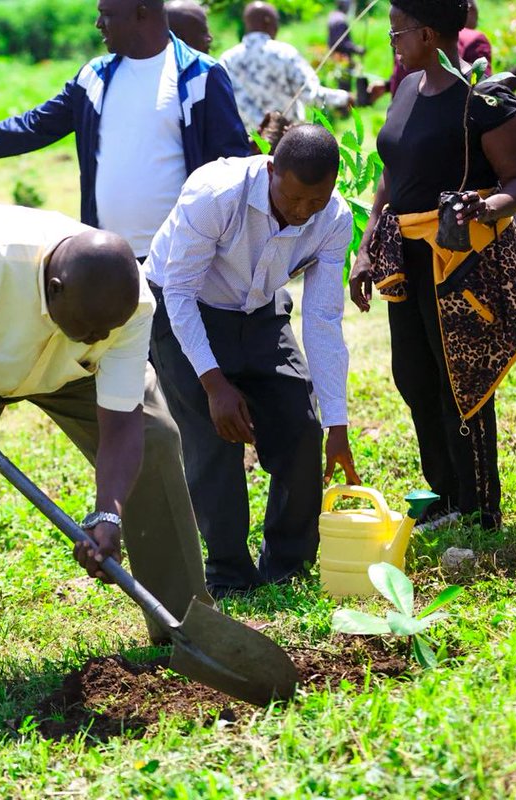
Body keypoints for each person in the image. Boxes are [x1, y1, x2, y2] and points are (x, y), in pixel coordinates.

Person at [0, 205, 213, 721]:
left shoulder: (126, 305)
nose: (94, 337)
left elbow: (122, 421)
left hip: (71, 376)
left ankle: (186, 628)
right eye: (86, 327)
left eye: (105, 332)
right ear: (55, 287)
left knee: (154, 438)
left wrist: (109, 514)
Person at [349, 0, 516, 531]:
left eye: (399, 32)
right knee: (414, 376)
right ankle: (443, 496)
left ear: (429, 34)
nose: (392, 42)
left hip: (459, 257)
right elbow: (390, 178)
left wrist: (485, 208)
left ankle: (478, 504)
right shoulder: (406, 89)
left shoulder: (481, 101)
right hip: (408, 257)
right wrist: (368, 244)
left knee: (462, 379)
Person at [146, 125, 360, 598]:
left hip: (259, 310)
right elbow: (178, 293)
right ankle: (228, 573)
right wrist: (215, 385)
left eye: (315, 201)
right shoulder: (215, 194)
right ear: (270, 170)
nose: (301, 213)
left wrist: (337, 425)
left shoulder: (334, 219)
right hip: (184, 307)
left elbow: (322, 318)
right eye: (292, 198)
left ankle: (287, 563)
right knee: (213, 439)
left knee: (302, 428)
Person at [0, 0, 248, 259]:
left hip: (179, 260)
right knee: (112, 363)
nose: (98, 24)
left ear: (142, 12)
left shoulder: (200, 76)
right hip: (110, 261)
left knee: (179, 365)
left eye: (106, 14)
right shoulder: (93, 78)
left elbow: (232, 168)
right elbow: (30, 128)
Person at [219, 1, 349, 129]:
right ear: (267, 21)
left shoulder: (227, 59)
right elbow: (311, 95)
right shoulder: (285, 53)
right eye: (277, 21)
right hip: (286, 140)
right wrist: (346, 98)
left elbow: (225, 104)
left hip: (248, 144)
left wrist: (260, 127)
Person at [380, 0, 490, 98]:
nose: (392, 43)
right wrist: (387, 86)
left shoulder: (484, 99)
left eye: (396, 34)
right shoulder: (406, 88)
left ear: (426, 35)